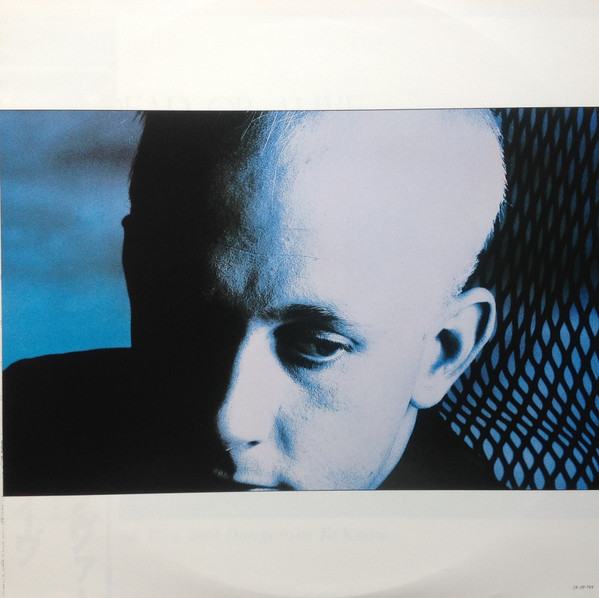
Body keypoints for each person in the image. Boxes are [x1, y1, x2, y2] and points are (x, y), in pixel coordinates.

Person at [3, 109, 507, 495]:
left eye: (318, 346)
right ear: (135, 269)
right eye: (188, 319)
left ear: (444, 353)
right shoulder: (22, 422)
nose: (229, 420)